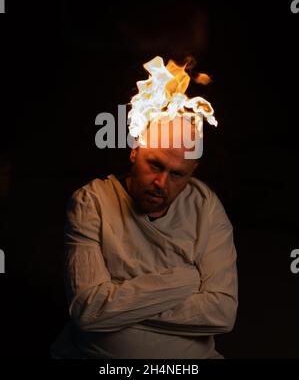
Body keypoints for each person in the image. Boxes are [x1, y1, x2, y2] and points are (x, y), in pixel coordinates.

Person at [51, 116, 238, 358]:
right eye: (155, 165)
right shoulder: (92, 201)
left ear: (192, 173)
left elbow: (222, 313)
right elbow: (88, 310)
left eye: (177, 175)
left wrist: (118, 307)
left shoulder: (206, 205)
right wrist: (184, 281)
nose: (161, 183)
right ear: (135, 151)